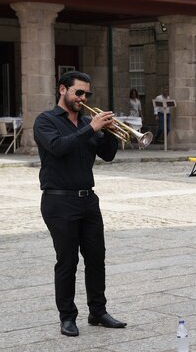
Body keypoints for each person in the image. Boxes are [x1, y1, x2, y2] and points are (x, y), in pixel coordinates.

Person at [34, 71, 128, 337]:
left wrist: (109, 132)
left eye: (87, 94)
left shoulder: (88, 122)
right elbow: (58, 147)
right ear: (62, 90)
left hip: (88, 199)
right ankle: (67, 317)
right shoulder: (46, 121)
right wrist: (92, 128)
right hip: (58, 200)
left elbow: (107, 155)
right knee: (67, 261)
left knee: (97, 258)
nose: (83, 98)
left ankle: (98, 312)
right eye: (78, 93)